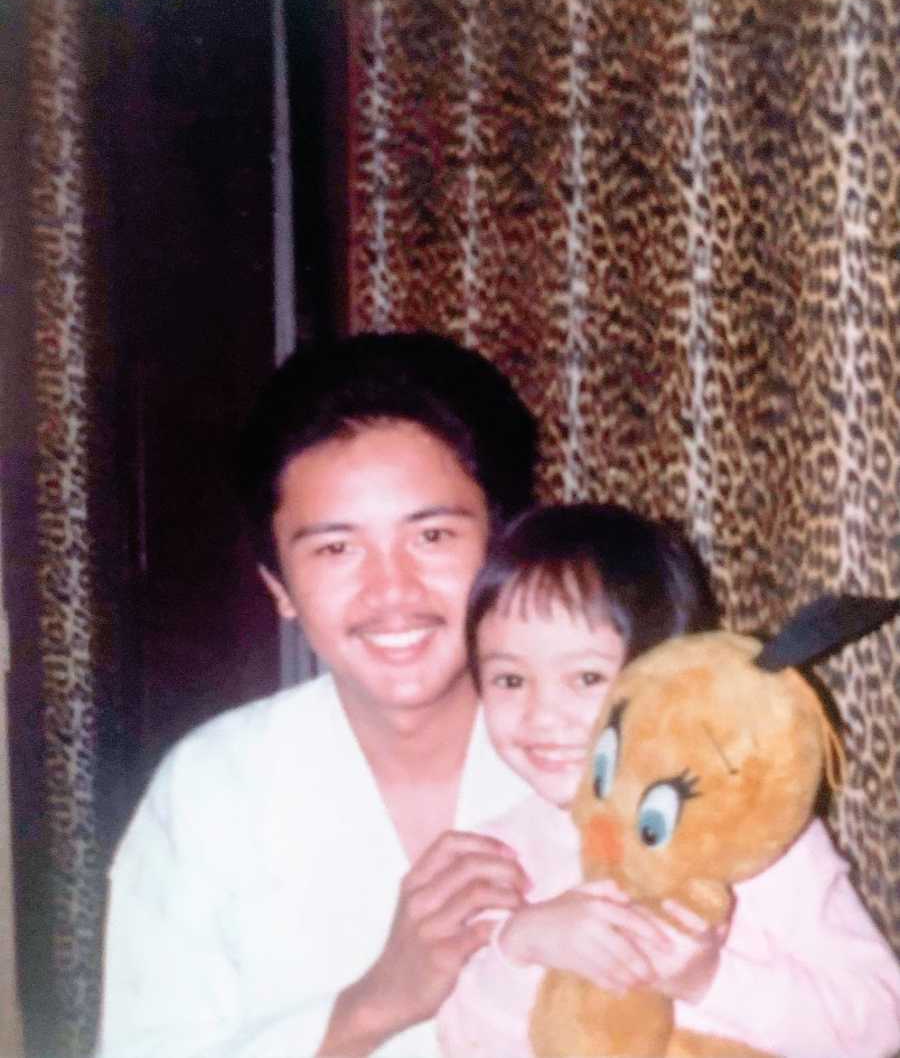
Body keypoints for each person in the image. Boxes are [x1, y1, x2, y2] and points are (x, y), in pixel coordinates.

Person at [98, 331, 540, 1058]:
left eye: (431, 536)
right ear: (279, 587)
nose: (391, 593)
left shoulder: (612, 751)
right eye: (336, 549)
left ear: (504, 549)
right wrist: (372, 1006)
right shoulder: (212, 790)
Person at [436, 502, 900, 1058]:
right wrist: (521, 945)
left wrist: (710, 981)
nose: (540, 715)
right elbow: (463, 1043)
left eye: (585, 677)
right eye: (510, 679)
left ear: (666, 676)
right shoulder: (500, 853)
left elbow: (882, 1024)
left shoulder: (765, 842)